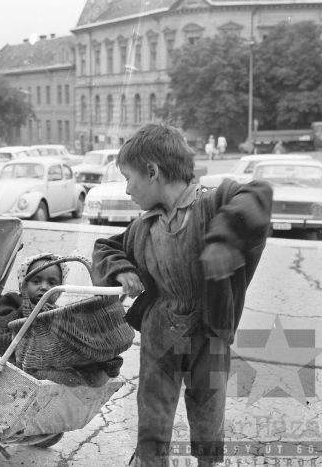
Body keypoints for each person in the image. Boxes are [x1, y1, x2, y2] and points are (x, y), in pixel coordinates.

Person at [91, 124, 272, 467]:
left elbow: (258, 195)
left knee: (208, 409)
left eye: (128, 178)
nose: (127, 189)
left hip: (210, 331)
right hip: (161, 328)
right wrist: (122, 268)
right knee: (153, 410)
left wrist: (223, 238)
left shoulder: (213, 201)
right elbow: (105, 248)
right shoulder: (145, 225)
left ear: (152, 171)